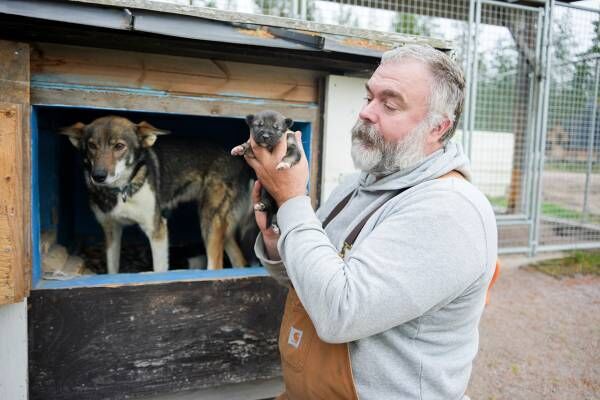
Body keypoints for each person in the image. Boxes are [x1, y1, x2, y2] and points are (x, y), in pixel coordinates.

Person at [242, 44, 498, 400]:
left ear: (438, 127)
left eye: (389, 104)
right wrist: (276, 237)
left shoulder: (449, 210)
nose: (365, 113)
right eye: (369, 97)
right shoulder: (356, 185)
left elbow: (340, 313)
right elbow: (310, 282)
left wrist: (293, 201)